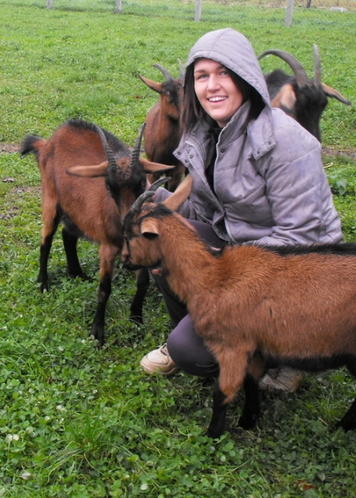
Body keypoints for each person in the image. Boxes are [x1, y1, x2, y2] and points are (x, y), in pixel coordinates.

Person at [140, 28, 344, 393]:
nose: (213, 86)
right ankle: (199, 325)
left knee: (190, 353)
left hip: (297, 274)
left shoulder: (286, 140)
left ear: (247, 78)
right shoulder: (202, 133)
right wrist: (160, 210)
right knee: (159, 234)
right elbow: (203, 210)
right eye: (202, 76)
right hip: (241, 245)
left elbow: (302, 240)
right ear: (192, 85)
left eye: (225, 73)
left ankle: (275, 355)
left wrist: (224, 275)